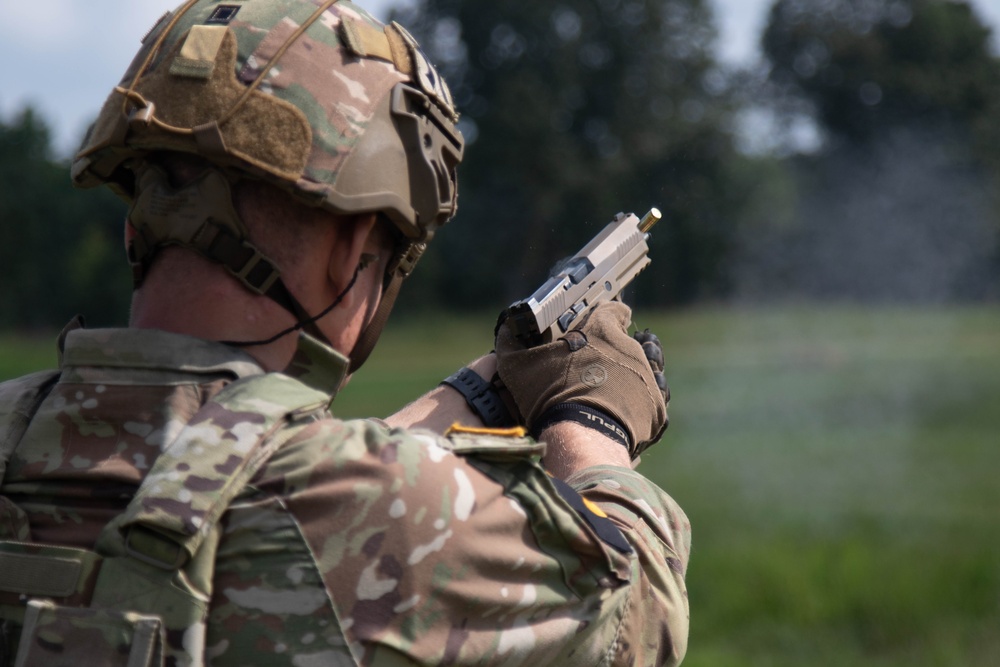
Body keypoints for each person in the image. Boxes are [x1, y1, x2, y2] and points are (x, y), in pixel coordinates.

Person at [0, 1, 691, 666]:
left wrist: (482, 391)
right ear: (352, 246)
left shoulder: (16, 432)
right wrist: (592, 414)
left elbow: (236, 466)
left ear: (134, 224)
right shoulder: (379, 509)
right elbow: (634, 615)